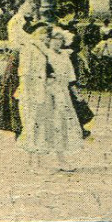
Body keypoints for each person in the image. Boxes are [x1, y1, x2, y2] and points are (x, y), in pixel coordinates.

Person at [19, 26, 85, 170]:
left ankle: (61, 160)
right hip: (44, 94)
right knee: (40, 124)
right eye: (54, 39)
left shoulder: (65, 56)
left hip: (61, 94)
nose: (57, 42)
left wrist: (76, 94)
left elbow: (71, 78)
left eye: (60, 40)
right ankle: (35, 162)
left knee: (60, 125)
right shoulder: (44, 54)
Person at [0, 0, 36, 135]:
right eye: (29, 2)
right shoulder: (15, 21)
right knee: (15, 91)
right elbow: (14, 43)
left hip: (30, 57)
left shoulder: (32, 20)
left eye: (33, 2)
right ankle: (16, 125)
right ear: (21, 4)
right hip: (19, 58)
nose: (32, 5)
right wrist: (30, 44)